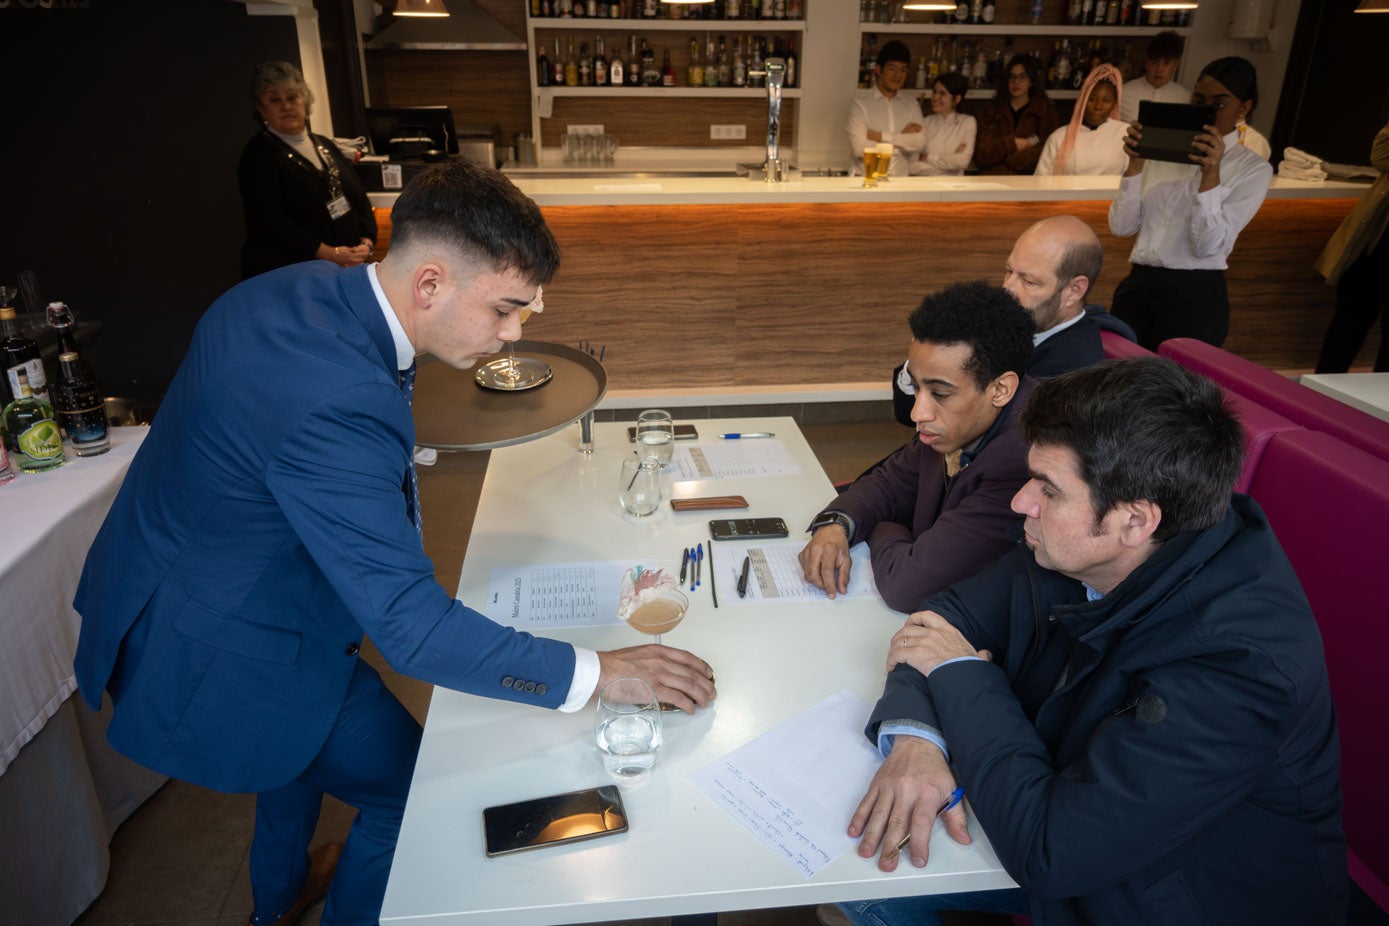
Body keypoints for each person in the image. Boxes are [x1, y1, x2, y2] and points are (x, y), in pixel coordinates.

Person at [72, 160, 717, 926]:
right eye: (506, 310)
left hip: (173, 584)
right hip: (223, 650)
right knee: (413, 796)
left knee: (293, 759)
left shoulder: (286, 292)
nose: (514, 334)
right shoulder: (336, 403)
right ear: (430, 284)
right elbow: (410, 629)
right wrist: (598, 669)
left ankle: (273, 901)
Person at [833, 357, 1347, 926]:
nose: (1021, 501)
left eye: (1048, 490)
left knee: (869, 888)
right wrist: (918, 741)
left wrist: (961, 674)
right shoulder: (1077, 545)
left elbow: (1052, 853)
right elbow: (941, 618)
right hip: (1061, 817)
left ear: (1135, 521)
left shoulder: (1240, 665)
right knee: (855, 878)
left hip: (1171, 896)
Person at [799, 281, 1034, 613]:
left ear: (1001, 389)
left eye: (939, 393)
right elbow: (887, 483)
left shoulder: (1024, 463)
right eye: (915, 387)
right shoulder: (954, 425)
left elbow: (907, 585)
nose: (917, 413)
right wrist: (837, 523)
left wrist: (886, 527)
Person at [1108, 57, 1273, 350]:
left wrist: (1211, 175)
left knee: (1178, 391)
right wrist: (1134, 165)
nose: (1206, 110)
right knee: (1118, 380)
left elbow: (1208, 246)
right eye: (1198, 100)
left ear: (1243, 108)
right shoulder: (1164, 150)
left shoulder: (1253, 169)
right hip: (1139, 284)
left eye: (1219, 103)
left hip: (1195, 295)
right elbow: (1121, 227)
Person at [890, 216, 1106, 426]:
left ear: (1074, 290)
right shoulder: (1005, 321)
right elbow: (906, 412)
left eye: (1028, 281)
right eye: (1009, 271)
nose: (1008, 288)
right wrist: (924, 360)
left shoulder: (1070, 374)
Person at [239, 61, 377, 280]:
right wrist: (329, 253)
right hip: (294, 274)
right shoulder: (259, 154)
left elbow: (359, 198)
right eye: (275, 99)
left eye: (292, 97)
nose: (286, 106)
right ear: (261, 109)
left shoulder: (325, 145)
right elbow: (269, 220)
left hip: (345, 268)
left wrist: (367, 242)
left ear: (306, 101)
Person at [1314, 120, 1389, 372]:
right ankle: (1318, 398)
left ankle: (1378, 409)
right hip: (1375, 243)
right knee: (1347, 327)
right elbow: (1381, 155)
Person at [847, 40, 925, 178]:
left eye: (903, 70)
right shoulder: (860, 104)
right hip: (867, 181)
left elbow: (919, 143)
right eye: (892, 69)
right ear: (878, 69)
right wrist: (902, 138)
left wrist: (880, 137)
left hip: (901, 184)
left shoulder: (912, 104)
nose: (897, 75)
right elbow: (859, 148)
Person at [1035, 65, 1128, 177]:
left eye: (1106, 101)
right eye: (1092, 99)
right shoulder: (1059, 137)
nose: (1098, 106)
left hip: (1112, 195)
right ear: (1083, 99)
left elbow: (1132, 178)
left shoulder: (1124, 134)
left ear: (1114, 103)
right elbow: (1041, 180)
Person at [973, 54, 1059, 176]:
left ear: (1031, 81)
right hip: (991, 181)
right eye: (1012, 77)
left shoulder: (1044, 112)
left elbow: (1047, 155)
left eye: (1022, 77)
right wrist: (1013, 143)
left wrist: (1008, 156)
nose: (1016, 82)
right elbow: (981, 156)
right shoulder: (991, 111)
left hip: (1026, 185)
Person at [908, 73, 976, 177]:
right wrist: (949, 166)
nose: (935, 98)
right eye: (934, 92)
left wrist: (928, 158)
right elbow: (912, 164)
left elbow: (962, 161)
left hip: (955, 189)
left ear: (957, 99)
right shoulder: (925, 122)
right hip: (927, 188)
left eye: (942, 94)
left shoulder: (967, 122)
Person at [1118, 31, 1188, 124]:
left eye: (1166, 63)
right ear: (1147, 62)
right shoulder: (1123, 93)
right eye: (1154, 62)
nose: (1159, 70)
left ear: (1175, 65)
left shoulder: (1185, 97)